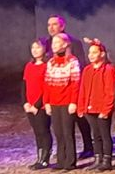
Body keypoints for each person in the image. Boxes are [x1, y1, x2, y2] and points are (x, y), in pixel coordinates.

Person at [40, 15, 93, 159]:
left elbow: (81, 64)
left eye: (54, 24)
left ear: (62, 26)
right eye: (49, 25)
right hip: (54, 86)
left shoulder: (73, 42)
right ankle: (62, 152)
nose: (51, 27)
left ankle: (88, 146)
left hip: (71, 85)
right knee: (59, 125)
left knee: (78, 119)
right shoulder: (46, 43)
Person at [44, 33, 81, 170]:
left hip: (67, 102)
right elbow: (47, 84)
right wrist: (47, 102)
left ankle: (70, 162)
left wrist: (73, 102)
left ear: (65, 44)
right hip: (54, 102)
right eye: (53, 43)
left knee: (67, 132)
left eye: (57, 43)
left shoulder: (72, 61)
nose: (53, 46)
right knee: (58, 132)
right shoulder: (51, 62)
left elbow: (75, 83)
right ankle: (61, 160)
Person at [78, 38, 115, 171]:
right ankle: (98, 159)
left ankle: (107, 160)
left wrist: (106, 109)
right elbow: (83, 89)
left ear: (102, 54)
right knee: (96, 135)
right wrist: (81, 107)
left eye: (94, 52)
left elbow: (110, 92)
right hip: (89, 108)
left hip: (102, 108)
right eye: (90, 53)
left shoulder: (108, 69)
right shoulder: (87, 70)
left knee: (104, 134)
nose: (91, 55)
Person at [22, 40, 51, 170]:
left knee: (43, 131)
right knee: (37, 132)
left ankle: (44, 159)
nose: (34, 50)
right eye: (33, 47)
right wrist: (25, 102)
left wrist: (37, 105)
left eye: (38, 47)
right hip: (30, 105)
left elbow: (47, 88)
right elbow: (24, 85)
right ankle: (39, 158)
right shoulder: (29, 66)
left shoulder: (47, 66)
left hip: (41, 105)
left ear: (44, 49)